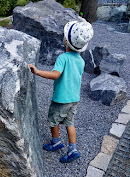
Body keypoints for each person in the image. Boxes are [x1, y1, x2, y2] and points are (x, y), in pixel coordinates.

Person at [28, 21, 94, 163]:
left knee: (53, 121)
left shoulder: (63, 58)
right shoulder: (81, 61)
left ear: (66, 40)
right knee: (70, 123)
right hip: (74, 99)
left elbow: (56, 75)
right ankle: (72, 149)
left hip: (61, 99)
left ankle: (56, 142)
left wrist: (37, 71)